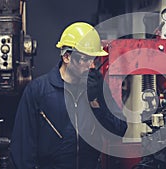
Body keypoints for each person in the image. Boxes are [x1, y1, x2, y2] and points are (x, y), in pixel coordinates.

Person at [10, 22, 128, 169]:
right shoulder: (38, 91)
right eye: (85, 59)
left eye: (94, 60)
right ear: (67, 57)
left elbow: (119, 131)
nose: (91, 66)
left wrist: (96, 103)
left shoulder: (96, 88)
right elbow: (22, 151)